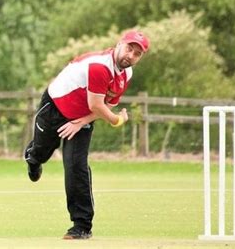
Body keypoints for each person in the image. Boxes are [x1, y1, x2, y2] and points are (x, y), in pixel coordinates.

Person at [24, 30, 150, 240]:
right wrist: (116, 120)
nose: (131, 55)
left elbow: (106, 104)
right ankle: (33, 158)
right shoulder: (100, 66)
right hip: (55, 106)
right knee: (42, 151)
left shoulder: (126, 74)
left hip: (82, 115)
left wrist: (81, 122)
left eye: (137, 53)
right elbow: (100, 107)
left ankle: (81, 226)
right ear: (119, 44)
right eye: (129, 48)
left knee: (76, 165)